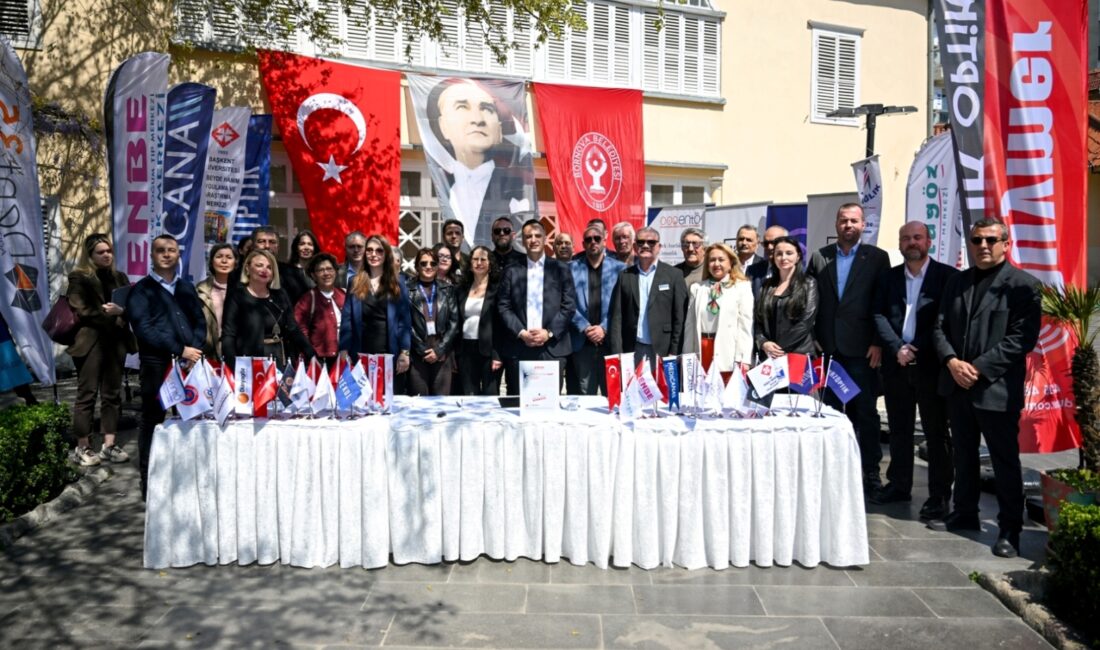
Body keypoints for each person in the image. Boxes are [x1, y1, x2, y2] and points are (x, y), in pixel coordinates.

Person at [931, 218, 1041, 558]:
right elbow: (939, 327)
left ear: (1006, 244)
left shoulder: (1023, 285)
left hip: (995, 389)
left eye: (991, 240)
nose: (983, 246)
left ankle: (1010, 529)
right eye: (977, 240)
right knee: (963, 454)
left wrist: (977, 368)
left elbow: (1020, 339)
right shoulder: (957, 281)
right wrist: (951, 361)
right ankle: (965, 512)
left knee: (1003, 461)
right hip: (957, 385)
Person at [871, 222, 958, 518]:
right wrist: (897, 347)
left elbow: (944, 320)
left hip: (930, 364)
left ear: (928, 242)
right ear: (899, 244)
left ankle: (939, 495)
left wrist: (914, 348)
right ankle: (899, 484)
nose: (912, 242)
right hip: (896, 364)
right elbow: (879, 314)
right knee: (899, 429)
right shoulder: (888, 277)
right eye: (906, 238)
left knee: (936, 432)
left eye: (917, 237)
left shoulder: (947, 277)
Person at [809, 204, 891, 492]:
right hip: (828, 348)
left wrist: (878, 342)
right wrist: (813, 338)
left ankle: (870, 471)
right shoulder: (820, 257)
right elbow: (811, 300)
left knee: (865, 412)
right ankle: (832, 470)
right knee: (830, 412)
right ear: (836, 224)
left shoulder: (877, 258)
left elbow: (883, 302)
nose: (848, 225)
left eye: (854, 221)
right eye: (843, 220)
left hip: (862, 350)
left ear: (863, 225)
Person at [126, 234, 206, 499]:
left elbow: (199, 321)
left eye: (171, 250)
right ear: (152, 255)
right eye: (161, 250)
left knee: (190, 419)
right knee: (152, 420)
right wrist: (180, 349)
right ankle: (149, 483)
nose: (167, 254)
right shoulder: (142, 290)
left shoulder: (186, 288)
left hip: (189, 364)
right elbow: (144, 328)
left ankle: (187, 481)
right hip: (157, 366)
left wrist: (193, 351)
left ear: (178, 254)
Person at [426, 79, 534, 245]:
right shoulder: (438, 183)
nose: (477, 119)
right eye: (462, 107)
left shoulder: (517, 185)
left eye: (487, 109)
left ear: (499, 129)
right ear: (443, 126)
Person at [65, 233, 137, 466]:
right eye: (101, 252)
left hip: (115, 343)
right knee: (86, 395)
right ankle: (83, 447)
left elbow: (130, 306)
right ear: (90, 255)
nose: (107, 255)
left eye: (109, 251)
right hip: (90, 343)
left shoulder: (120, 276)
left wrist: (123, 313)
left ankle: (109, 444)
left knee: (112, 395)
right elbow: (81, 309)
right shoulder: (79, 277)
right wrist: (113, 316)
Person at [497, 219, 577, 395]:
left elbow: (569, 305)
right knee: (519, 403)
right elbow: (503, 306)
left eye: (537, 235)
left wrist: (548, 333)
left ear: (545, 239)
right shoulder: (511, 270)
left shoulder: (561, 269)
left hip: (552, 348)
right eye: (528, 236)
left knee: (549, 403)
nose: (533, 240)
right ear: (523, 240)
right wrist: (521, 332)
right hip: (519, 347)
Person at [339, 235, 413, 394]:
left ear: (386, 254)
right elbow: (347, 319)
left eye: (379, 250)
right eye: (370, 250)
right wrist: (344, 349)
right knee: (362, 400)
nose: (374, 254)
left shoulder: (398, 283)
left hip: (389, 354)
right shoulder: (354, 281)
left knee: (388, 400)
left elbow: (404, 322)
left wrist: (404, 352)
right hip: (360, 353)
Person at [609, 226, 688, 371]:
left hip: (663, 349)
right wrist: (617, 352)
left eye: (651, 242)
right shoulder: (625, 276)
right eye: (641, 242)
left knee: (662, 387)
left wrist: (674, 351)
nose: (645, 245)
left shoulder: (674, 275)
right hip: (632, 349)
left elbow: (679, 318)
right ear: (634, 247)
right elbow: (616, 318)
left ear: (659, 247)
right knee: (632, 386)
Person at [221, 249, 316, 367]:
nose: (264, 270)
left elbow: (293, 329)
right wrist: (233, 366)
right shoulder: (237, 296)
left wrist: (312, 355)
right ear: (247, 268)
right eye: (259, 265)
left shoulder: (280, 295)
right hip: (248, 363)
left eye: (269, 267)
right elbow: (228, 335)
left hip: (279, 360)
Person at [683, 242, 753, 381]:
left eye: (721, 260)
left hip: (727, 350)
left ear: (730, 263)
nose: (716, 264)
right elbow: (690, 326)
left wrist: (743, 358)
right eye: (712, 260)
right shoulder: (697, 288)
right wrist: (687, 357)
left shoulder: (742, 287)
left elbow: (745, 326)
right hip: (702, 348)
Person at [568, 225, 625, 395]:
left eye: (597, 238)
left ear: (604, 241)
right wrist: (585, 327)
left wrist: (604, 328)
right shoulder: (571, 268)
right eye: (588, 239)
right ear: (583, 244)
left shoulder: (620, 269)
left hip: (610, 342)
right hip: (582, 343)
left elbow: (622, 305)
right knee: (586, 395)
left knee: (613, 394)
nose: (593, 242)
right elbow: (567, 303)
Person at [753, 236, 818, 358]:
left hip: (798, 354)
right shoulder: (766, 286)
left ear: (798, 256)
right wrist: (763, 342)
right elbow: (757, 320)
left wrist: (778, 348)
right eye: (779, 254)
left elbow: (805, 322)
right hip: (769, 355)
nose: (783, 258)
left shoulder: (808, 283)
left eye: (789, 253)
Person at [407, 248, 460, 395]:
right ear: (417, 266)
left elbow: (454, 322)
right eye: (423, 263)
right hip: (417, 352)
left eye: (433, 263)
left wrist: (439, 350)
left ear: (437, 266)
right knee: (419, 401)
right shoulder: (407, 289)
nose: (428, 267)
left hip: (442, 351)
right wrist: (422, 349)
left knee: (441, 402)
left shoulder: (447, 289)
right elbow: (405, 323)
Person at [457, 245, 503, 395]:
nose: (479, 263)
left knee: (490, 394)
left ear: (490, 264)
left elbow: (500, 325)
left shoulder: (497, 289)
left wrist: (497, 355)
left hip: (488, 350)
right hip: (465, 349)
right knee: (469, 394)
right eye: (475, 259)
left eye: (483, 259)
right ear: (470, 264)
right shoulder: (462, 288)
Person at [294, 253, 345, 369]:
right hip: (319, 361)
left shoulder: (344, 294)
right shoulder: (307, 299)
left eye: (329, 269)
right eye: (321, 270)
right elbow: (300, 329)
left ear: (335, 272)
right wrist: (310, 354)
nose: (326, 273)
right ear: (313, 275)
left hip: (343, 357)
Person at [195, 243, 237, 360]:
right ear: (211, 262)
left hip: (237, 353)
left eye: (229, 257)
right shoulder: (200, 290)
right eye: (219, 257)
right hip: (208, 354)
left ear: (235, 262)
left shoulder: (244, 290)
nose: (224, 261)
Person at [0, 313, 37, 406]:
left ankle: (29, 399)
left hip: (3, 340)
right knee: (14, 370)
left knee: (15, 370)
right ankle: (28, 399)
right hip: (4, 340)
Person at [746, 225, 788, 301]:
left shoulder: (797, 273)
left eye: (774, 242)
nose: (769, 247)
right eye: (766, 243)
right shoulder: (752, 270)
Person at [283, 229, 319, 303]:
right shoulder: (286, 272)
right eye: (302, 244)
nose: (306, 247)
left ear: (314, 248)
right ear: (296, 248)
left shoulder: (319, 272)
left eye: (310, 244)